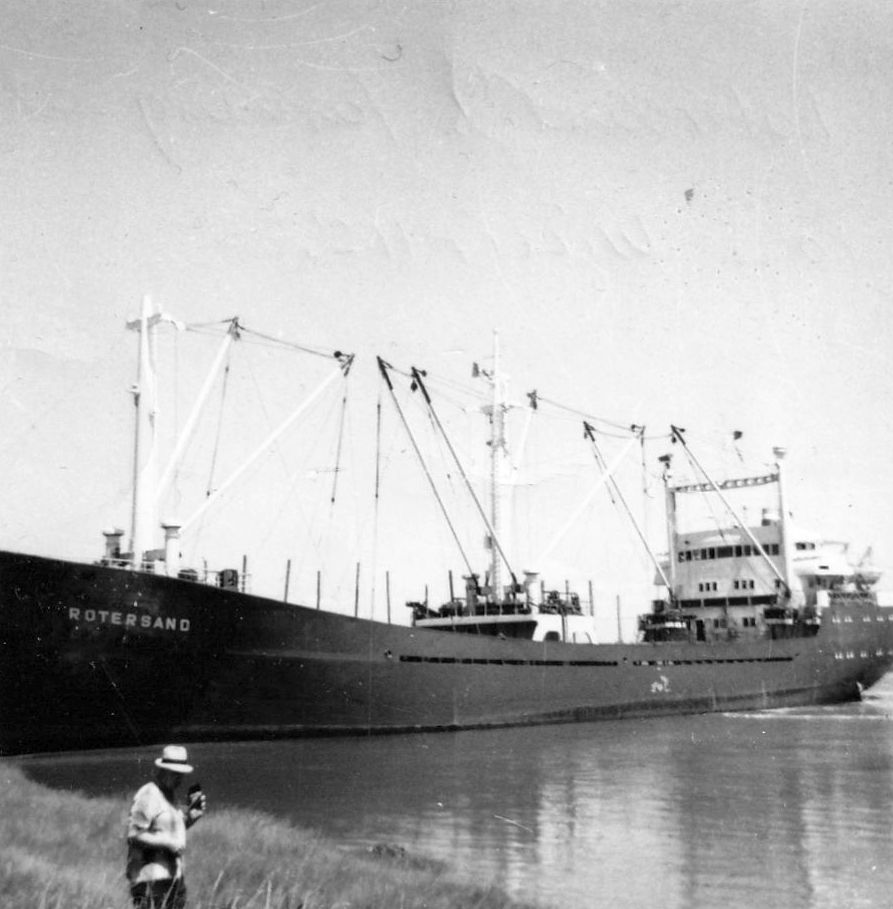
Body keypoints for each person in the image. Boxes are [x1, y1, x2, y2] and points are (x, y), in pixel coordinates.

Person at [126, 745, 207, 909]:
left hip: (173, 879)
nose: (179, 778)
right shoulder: (149, 794)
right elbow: (134, 834)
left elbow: (168, 831)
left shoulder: (170, 796)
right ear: (161, 771)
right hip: (151, 879)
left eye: (181, 774)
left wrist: (190, 819)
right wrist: (168, 843)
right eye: (175, 773)